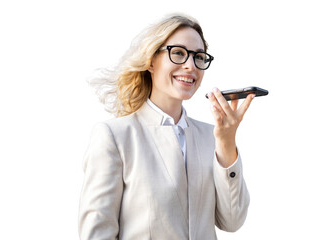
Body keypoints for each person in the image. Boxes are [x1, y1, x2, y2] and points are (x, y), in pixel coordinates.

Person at [78, 13, 255, 240]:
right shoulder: (115, 136)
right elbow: (97, 234)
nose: (191, 66)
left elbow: (232, 221)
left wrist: (227, 142)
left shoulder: (211, 138)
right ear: (151, 61)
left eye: (198, 57)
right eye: (179, 53)